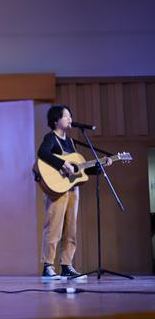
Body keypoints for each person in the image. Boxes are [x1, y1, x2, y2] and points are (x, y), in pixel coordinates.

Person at [37, 105, 111, 280]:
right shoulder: (51, 138)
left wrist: (99, 165)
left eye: (70, 116)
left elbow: (78, 168)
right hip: (56, 189)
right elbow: (43, 153)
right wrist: (62, 164)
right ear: (56, 120)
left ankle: (66, 265)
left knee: (71, 229)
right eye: (66, 116)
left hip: (72, 189)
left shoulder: (70, 142)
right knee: (54, 227)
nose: (70, 119)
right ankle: (48, 266)